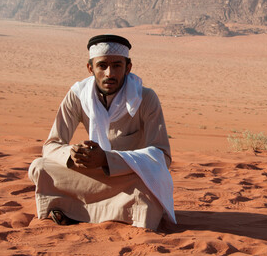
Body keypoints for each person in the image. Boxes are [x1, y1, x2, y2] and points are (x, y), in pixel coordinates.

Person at [28, 34, 175, 230]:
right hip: (92, 175)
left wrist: (107, 160)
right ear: (90, 68)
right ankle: (110, 213)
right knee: (40, 167)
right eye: (102, 66)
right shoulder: (77, 95)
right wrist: (72, 154)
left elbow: (162, 156)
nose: (109, 73)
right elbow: (51, 145)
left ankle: (74, 210)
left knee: (148, 185)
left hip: (128, 178)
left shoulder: (145, 98)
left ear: (128, 67)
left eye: (117, 65)